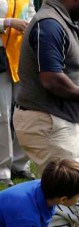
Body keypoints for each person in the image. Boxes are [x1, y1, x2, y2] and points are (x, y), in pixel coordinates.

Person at [13, 0, 79, 174]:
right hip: (48, 121)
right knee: (63, 192)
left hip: (54, 118)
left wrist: (77, 121)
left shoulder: (58, 20)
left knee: (61, 191)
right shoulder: (49, 24)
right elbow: (52, 79)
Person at [0, 0, 35, 188]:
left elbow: (31, 12)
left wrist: (29, 23)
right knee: (3, 115)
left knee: (24, 110)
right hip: (0, 56)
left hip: (21, 55)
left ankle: (21, 164)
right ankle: (2, 169)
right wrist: (7, 23)